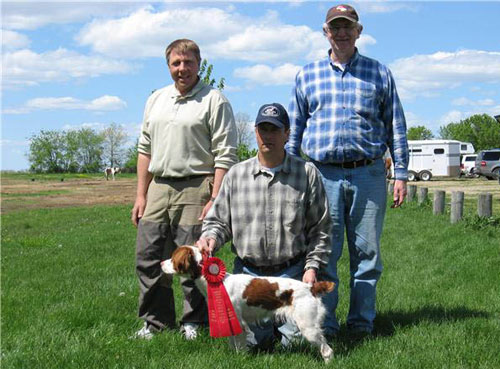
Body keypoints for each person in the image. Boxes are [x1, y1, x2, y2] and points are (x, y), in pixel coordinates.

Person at [287, 4, 409, 338]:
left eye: (348, 27)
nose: (341, 33)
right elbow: (295, 128)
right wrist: (288, 170)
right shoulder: (307, 74)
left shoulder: (379, 73)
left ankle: (361, 324)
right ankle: (327, 323)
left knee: (367, 255)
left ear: (359, 31)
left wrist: (400, 173)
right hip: (322, 176)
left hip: (368, 174)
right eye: (334, 27)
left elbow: (395, 126)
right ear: (325, 32)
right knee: (325, 254)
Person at [197, 102, 332, 348]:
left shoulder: (307, 173)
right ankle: (262, 334)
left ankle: (287, 334)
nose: (267, 135)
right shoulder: (236, 175)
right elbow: (217, 221)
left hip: (291, 275)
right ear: (255, 131)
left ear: (287, 134)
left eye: (275, 129)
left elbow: (321, 230)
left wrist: (312, 268)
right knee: (255, 345)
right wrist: (211, 238)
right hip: (248, 279)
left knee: (296, 344)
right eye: (263, 129)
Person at [131, 39, 238, 340]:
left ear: (198, 64)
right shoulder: (156, 100)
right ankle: (155, 322)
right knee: (149, 258)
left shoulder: (214, 100)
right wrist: (141, 194)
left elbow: (225, 153)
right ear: (168, 66)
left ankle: (195, 322)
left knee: (194, 260)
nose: (182, 69)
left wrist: (215, 198)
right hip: (159, 188)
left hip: (197, 187)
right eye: (176, 63)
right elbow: (144, 149)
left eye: (188, 62)